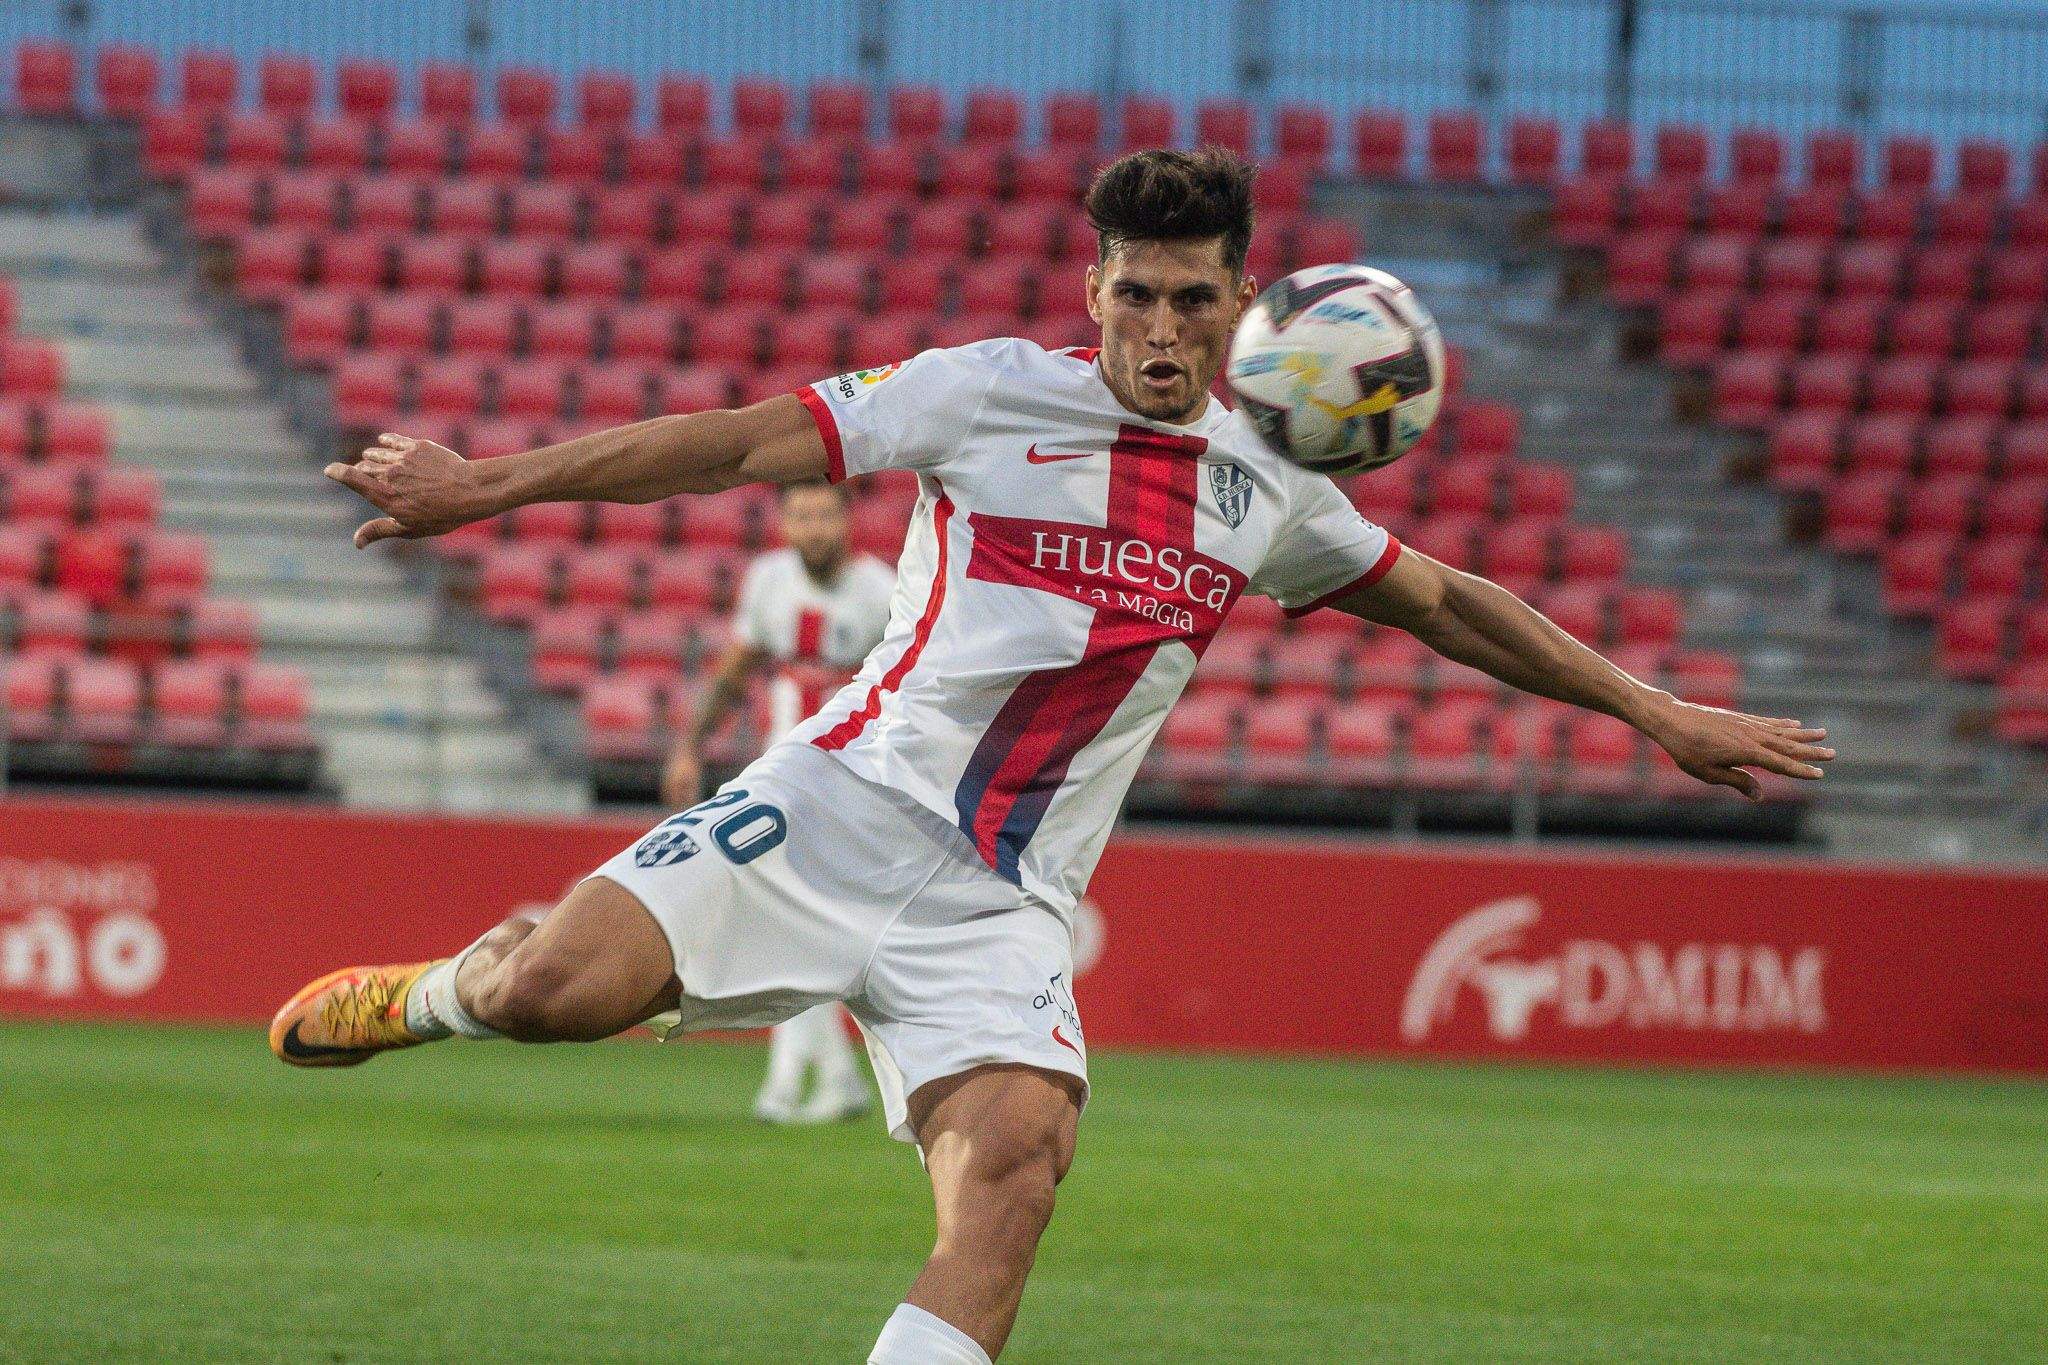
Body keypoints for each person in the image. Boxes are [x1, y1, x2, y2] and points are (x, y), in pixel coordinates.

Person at [273, 148, 1834, 1364]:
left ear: (1242, 310)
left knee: (1018, 1158)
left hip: (1000, 899)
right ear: (1094, 293)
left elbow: (1447, 603)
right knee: (555, 997)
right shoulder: (980, 393)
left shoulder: (1267, 490)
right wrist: (486, 488)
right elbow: (735, 440)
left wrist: (1654, 710)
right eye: (1138, 293)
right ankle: (435, 991)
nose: (1164, 326)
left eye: (1196, 299)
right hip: (836, 801)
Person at [659, 478, 894, 1124]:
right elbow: (737, 669)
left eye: (824, 514)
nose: (813, 527)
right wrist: (690, 745)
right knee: (798, 929)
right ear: (785, 524)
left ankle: (803, 1079)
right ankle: (818, 1079)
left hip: (852, 777)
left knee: (797, 928)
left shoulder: (881, 589)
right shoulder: (768, 580)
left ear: (847, 521)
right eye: (800, 516)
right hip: (780, 772)